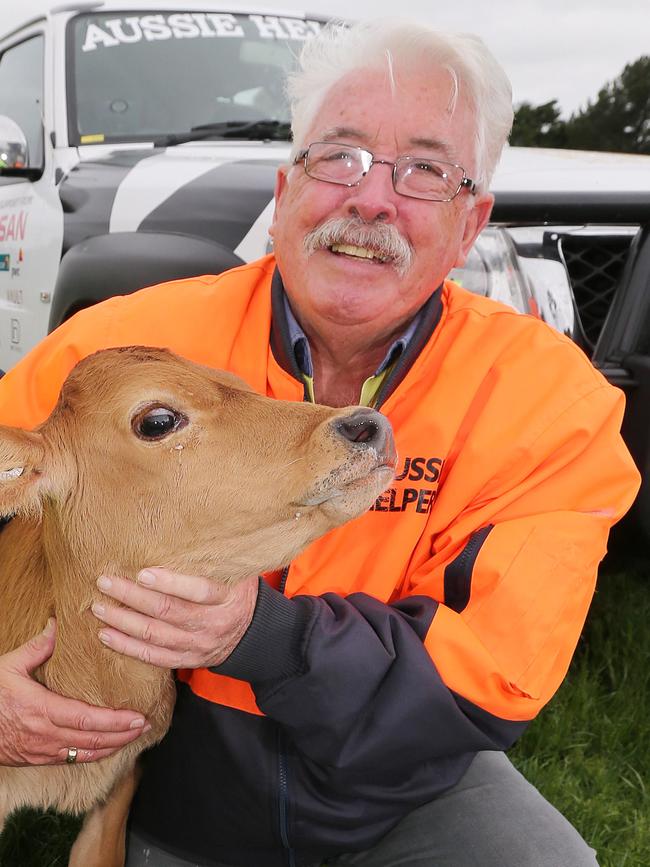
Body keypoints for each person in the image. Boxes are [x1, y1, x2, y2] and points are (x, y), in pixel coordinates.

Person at [0, 18, 640, 867]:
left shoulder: (549, 403)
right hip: (187, 778)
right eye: (338, 155)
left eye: (423, 171)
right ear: (286, 188)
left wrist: (259, 635)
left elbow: (482, 686)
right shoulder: (124, 345)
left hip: (401, 785)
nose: (370, 199)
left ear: (469, 220)